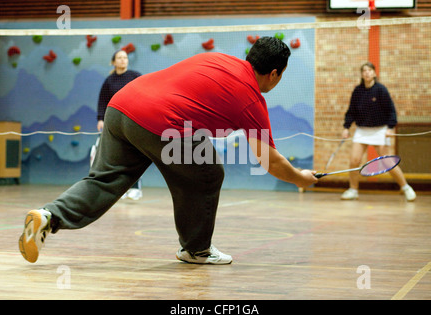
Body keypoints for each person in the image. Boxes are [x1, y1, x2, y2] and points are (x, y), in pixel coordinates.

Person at [18, 37, 318, 265]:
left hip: (121, 106)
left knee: (106, 179)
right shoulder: (251, 98)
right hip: (160, 121)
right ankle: (196, 250)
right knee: (208, 173)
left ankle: (48, 216)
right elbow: (270, 161)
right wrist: (300, 178)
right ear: (275, 73)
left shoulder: (219, 59)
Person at [341, 62, 416, 201]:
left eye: (369, 70)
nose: (367, 73)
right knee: (354, 161)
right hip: (362, 130)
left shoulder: (381, 90)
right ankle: (353, 190)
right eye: (364, 70)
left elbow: (391, 110)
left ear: (374, 73)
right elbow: (351, 111)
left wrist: (390, 127)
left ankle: (406, 188)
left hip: (380, 130)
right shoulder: (357, 91)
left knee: (388, 162)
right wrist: (346, 127)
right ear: (362, 74)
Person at [97, 50, 143, 200]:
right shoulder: (109, 81)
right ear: (114, 62)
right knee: (118, 156)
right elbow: (103, 101)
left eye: (125, 58)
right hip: (115, 123)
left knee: (134, 155)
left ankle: (136, 188)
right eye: (119, 58)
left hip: (133, 120)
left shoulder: (135, 76)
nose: (123, 60)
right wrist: (100, 119)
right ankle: (121, 189)